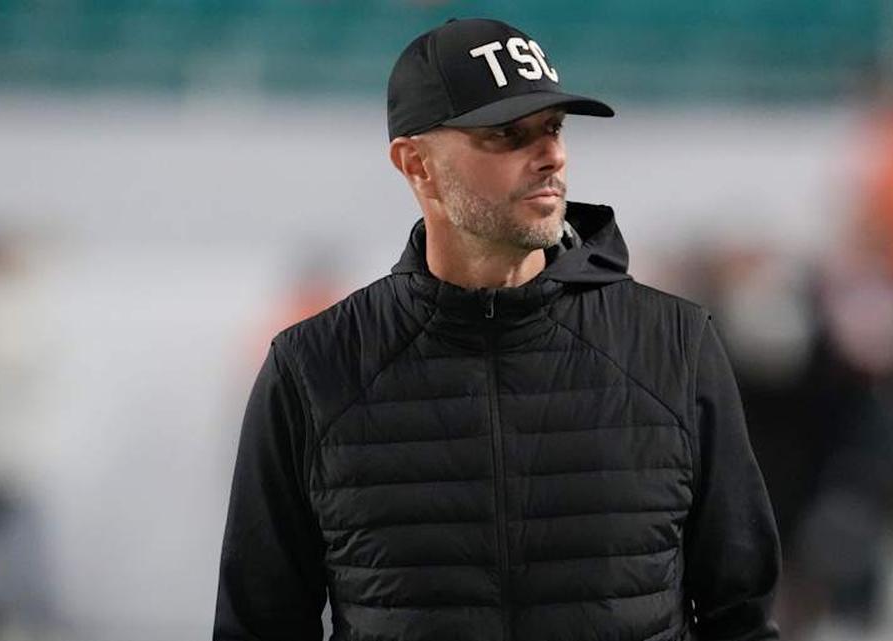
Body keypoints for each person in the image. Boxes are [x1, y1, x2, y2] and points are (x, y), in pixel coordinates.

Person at [214, 17, 780, 641]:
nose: (552, 155)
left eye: (554, 129)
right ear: (417, 165)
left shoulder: (674, 346)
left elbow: (741, 619)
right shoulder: (313, 370)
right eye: (508, 135)